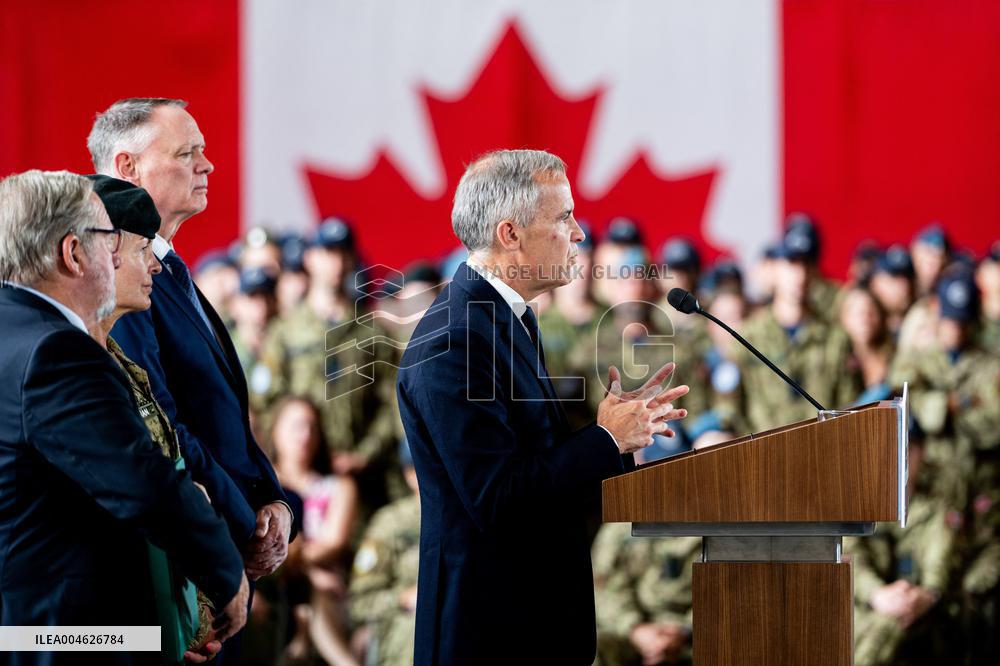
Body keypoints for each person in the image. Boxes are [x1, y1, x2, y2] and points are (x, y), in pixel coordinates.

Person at [396, 149, 690, 665]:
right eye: (563, 217)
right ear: (510, 234)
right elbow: (498, 497)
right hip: (489, 635)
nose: (578, 233)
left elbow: (538, 462)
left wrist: (619, 434)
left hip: (529, 625)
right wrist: (604, 440)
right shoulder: (456, 340)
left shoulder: (506, 318)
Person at [0, 170, 249, 664]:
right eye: (108, 238)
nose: (117, 254)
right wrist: (228, 575)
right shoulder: (56, 352)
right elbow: (145, 488)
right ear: (73, 253)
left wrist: (161, 638)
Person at [88, 98, 293, 660]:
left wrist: (273, 499)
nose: (208, 166)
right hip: (182, 557)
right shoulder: (115, 281)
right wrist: (242, 524)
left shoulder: (169, 265)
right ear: (127, 168)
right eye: (187, 153)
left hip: (214, 543)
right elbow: (162, 425)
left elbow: (222, 410)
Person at [84, 174, 225, 663]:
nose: (154, 266)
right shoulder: (63, 369)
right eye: (144, 248)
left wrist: (181, 625)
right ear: (104, 251)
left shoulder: (119, 359)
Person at [258, 217, 401, 514]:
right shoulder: (285, 332)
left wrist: (363, 455)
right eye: (327, 252)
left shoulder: (372, 333)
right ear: (310, 258)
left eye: (342, 253)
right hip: (299, 480)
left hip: (364, 478)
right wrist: (287, 457)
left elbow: (392, 405)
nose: (334, 262)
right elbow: (268, 402)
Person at [737, 230, 860, 432]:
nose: (800, 275)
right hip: (762, 452)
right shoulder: (747, 336)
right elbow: (731, 410)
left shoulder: (835, 338)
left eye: (807, 264)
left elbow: (848, 406)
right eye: (792, 264)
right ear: (774, 268)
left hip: (822, 448)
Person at [270, 396, 359, 666]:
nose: (305, 435)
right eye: (296, 426)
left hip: (330, 589)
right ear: (275, 431)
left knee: (320, 590)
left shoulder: (339, 486)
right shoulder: (262, 483)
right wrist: (310, 570)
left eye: (312, 427)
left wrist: (301, 563)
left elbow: (332, 543)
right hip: (274, 582)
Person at [349, 441, 422, 666]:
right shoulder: (391, 523)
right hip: (405, 629)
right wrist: (404, 598)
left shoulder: (475, 517)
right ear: (409, 474)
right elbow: (361, 603)